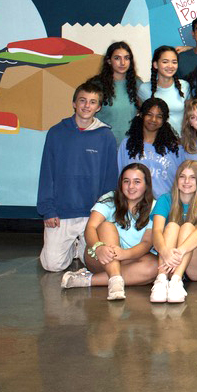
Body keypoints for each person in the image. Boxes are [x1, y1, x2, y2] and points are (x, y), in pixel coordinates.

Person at [38, 80, 119, 272]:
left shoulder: (106, 136)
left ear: (98, 107)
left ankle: (80, 248)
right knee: (52, 265)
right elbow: (46, 173)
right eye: (82, 100)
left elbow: (110, 179)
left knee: (96, 265)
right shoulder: (56, 133)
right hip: (62, 212)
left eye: (92, 102)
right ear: (74, 103)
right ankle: (70, 248)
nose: (86, 106)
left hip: (91, 214)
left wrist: (106, 211)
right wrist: (48, 210)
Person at [60, 163, 157, 300]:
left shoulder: (154, 206)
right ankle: (115, 279)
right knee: (106, 226)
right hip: (101, 257)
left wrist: (124, 254)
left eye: (137, 182)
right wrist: (98, 247)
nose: (131, 186)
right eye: (126, 181)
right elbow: (90, 227)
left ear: (146, 185)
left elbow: (147, 243)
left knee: (155, 266)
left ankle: (87, 280)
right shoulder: (110, 198)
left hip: (131, 258)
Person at [148, 160, 197, 303]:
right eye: (182, 176)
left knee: (188, 227)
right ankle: (161, 281)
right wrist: (165, 252)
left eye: (192, 177)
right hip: (169, 264)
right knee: (172, 226)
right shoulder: (165, 199)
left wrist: (179, 252)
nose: (186, 181)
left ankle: (176, 282)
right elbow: (156, 231)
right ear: (177, 179)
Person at [118, 98, 183, 197]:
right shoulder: (127, 145)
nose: (153, 119)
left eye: (159, 116)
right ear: (141, 115)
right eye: (149, 114)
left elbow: (180, 180)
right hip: (134, 202)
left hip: (165, 204)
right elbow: (121, 177)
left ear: (164, 120)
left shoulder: (174, 148)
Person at [94, 41, 140, 143]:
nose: (122, 63)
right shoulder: (97, 85)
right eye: (117, 58)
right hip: (103, 144)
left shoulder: (137, 84)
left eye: (126, 58)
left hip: (129, 145)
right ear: (109, 61)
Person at [138, 45, 189, 132]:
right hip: (155, 139)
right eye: (165, 62)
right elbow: (140, 117)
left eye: (174, 62)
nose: (170, 66)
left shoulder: (184, 86)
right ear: (155, 64)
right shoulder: (144, 89)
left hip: (180, 139)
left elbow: (189, 116)